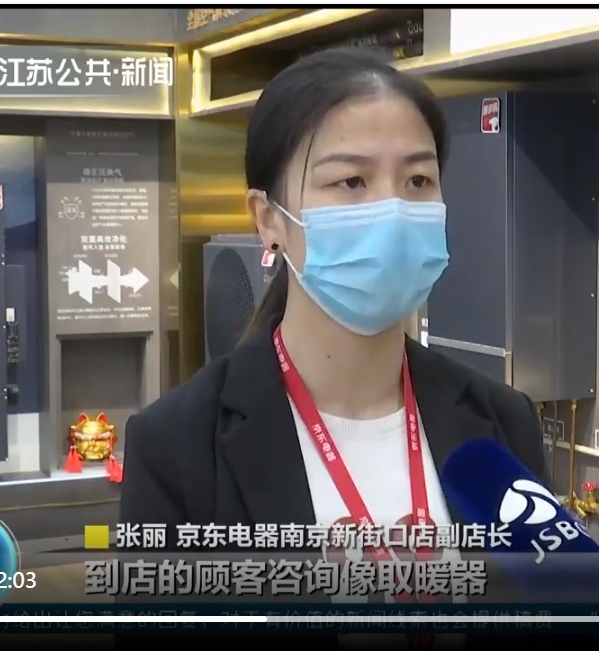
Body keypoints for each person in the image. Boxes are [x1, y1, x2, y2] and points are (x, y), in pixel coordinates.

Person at [119, 47, 547, 642]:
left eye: (417, 180)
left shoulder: (502, 422)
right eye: (351, 181)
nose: (392, 210)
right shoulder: (178, 447)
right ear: (268, 219)